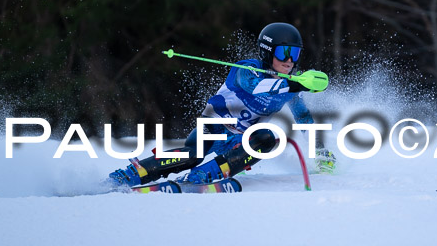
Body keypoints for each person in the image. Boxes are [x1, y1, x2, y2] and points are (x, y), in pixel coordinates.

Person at [108, 22, 336, 187]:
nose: (290, 60)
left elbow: (304, 119)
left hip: (239, 140)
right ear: (268, 52)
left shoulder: (290, 88)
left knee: (267, 138)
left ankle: (200, 178)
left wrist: (319, 150)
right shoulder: (246, 69)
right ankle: (132, 174)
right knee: (193, 154)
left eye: (294, 53)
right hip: (214, 126)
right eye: (284, 52)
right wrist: (295, 85)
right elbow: (255, 87)